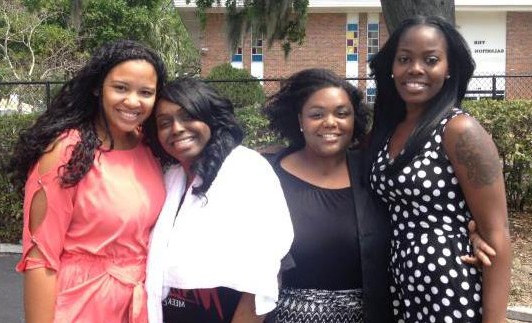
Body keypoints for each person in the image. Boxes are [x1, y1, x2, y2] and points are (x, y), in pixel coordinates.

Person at [7, 39, 168, 323]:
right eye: (120, 88)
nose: (133, 101)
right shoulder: (66, 151)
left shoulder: (149, 147)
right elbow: (40, 258)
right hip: (80, 305)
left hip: (138, 304)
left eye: (145, 92)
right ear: (97, 88)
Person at [368, 15, 511, 322]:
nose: (415, 69)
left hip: (450, 287)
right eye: (404, 58)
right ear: (391, 68)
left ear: (449, 69)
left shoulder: (459, 130)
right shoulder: (389, 129)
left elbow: (497, 233)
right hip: (401, 287)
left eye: (430, 59)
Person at [143, 77, 294, 323]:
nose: (177, 128)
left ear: (211, 118)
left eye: (188, 116)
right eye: (164, 123)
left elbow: (265, 273)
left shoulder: (247, 170)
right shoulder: (171, 179)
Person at [263, 68, 393, 323]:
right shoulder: (267, 174)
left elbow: (418, 213)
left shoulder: (374, 174)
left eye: (342, 113)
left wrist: (472, 230)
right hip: (283, 316)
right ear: (299, 120)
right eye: (317, 114)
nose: (330, 122)